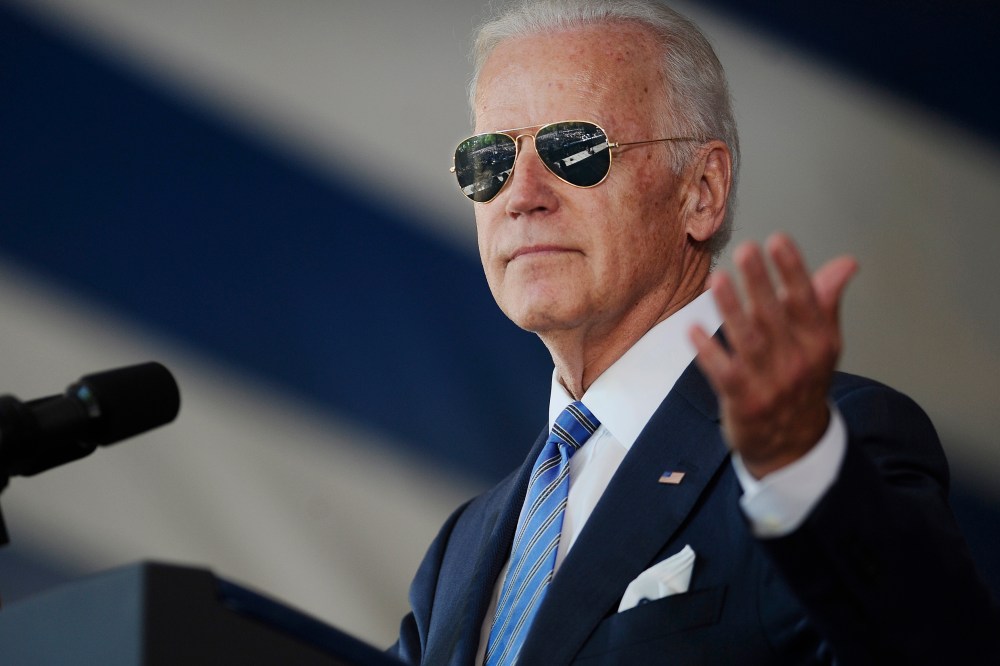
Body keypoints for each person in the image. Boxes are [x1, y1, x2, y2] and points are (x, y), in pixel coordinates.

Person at [390, 1, 1000, 663]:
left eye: (575, 150)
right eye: (491, 160)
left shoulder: (822, 449)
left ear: (702, 190)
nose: (521, 194)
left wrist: (799, 469)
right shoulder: (462, 547)